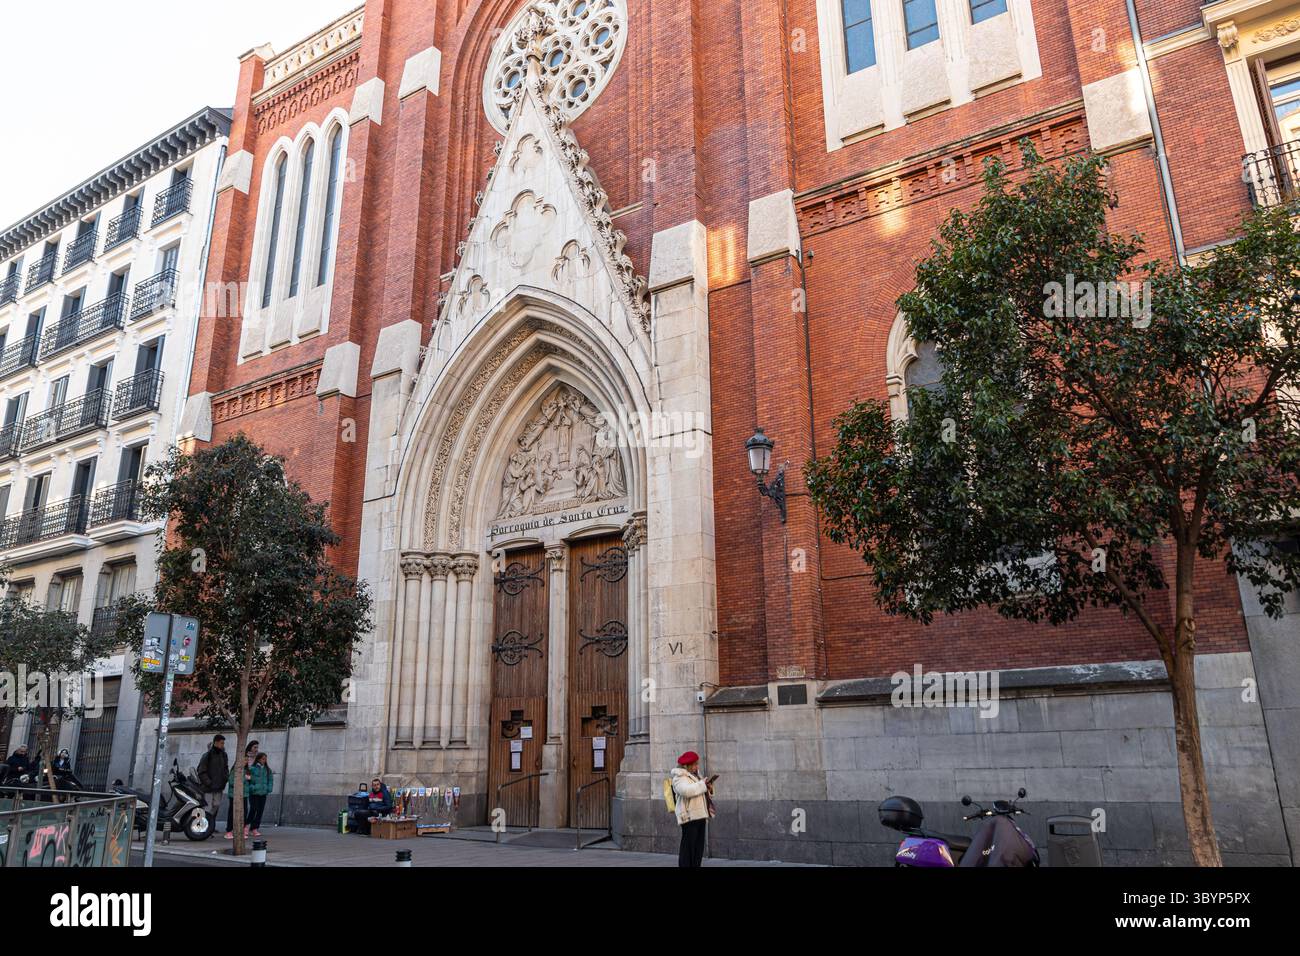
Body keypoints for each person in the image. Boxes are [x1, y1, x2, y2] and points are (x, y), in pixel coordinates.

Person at [671, 750, 716, 868]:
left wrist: (708, 787)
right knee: (688, 848)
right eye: (695, 764)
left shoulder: (696, 775)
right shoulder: (679, 777)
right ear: (687, 765)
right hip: (689, 817)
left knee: (698, 848)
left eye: (697, 764)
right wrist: (702, 785)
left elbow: (701, 793)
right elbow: (686, 791)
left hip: (700, 815)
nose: (697, 766)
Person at [224, 746, 255, 839]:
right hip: (234, 795)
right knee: (232, 813)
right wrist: (244, 780)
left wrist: (249, 781)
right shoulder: (235, 770)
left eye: (247, 760)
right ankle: (229, 831)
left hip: (244, 794)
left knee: (244, 812)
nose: (246, 762)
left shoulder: (247, 770)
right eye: (245, 760)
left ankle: (240, 830)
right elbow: (232, 781)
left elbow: (250, 782)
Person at [196, 735, 228, 820]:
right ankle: (203, 826)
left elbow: (226, 768)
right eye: (221, 743)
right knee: (207, 808)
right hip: (208, 788)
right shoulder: (207, 755)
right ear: (216, 743)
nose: (223, 745)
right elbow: (201, 771)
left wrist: (225, 779)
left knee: (216, 806)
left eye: (223, 743)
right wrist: (209, 782)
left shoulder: (224, 755)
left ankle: (209, 824)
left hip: (219, 787)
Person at [247, 752, 274, 837]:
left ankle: (255, 828)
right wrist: (252, 787)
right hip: (254, 793)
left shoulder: (267, 770)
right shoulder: (252, 768)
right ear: (258, 759)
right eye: (263, 759)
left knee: (260, 811)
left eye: (265, 759)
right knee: (253, 809)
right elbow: (247, 780)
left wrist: (268, 789)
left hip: (263, 793)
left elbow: (270, 780)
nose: (264, 760)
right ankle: (246, 825)